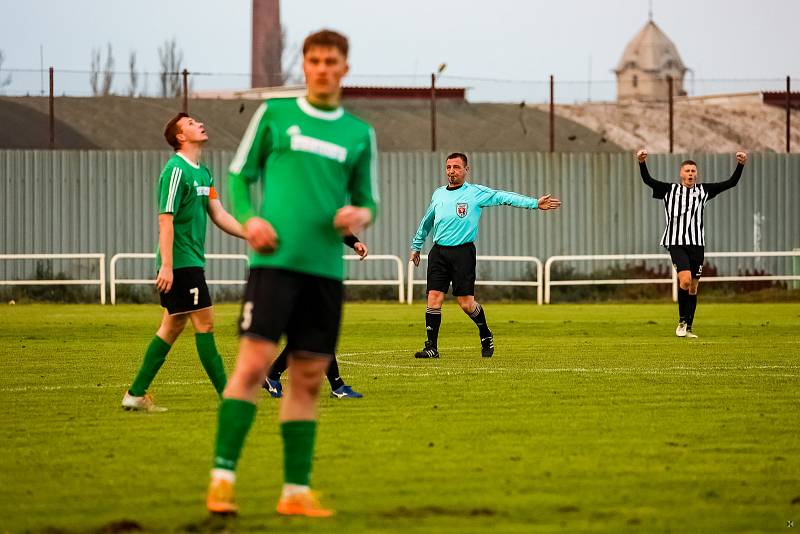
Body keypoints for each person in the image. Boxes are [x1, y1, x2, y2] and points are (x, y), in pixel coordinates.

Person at [205, 29, 378, 518]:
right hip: (274, 265)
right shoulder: (276, 114)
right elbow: (240, 173)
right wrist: (250, 217)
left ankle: (295, 492)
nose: (323, 68)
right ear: (304, 65)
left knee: (307, 379)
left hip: (325, 271)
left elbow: (370, 198)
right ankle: (222, 479)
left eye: (332, 61)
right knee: (253, 366)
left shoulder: (359, 133)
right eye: (315, 60)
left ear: (345, 67)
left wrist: (360, 215)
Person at [121, 113, 245, 412]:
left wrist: (251, 234)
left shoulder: (203, 174)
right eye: (190, 123)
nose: (199, 124)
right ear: (180, 137)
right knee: (205, 322)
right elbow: (165, 219)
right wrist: (166, 265)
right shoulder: (175, 170)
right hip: (180, 264)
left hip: (190, 262)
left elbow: (219, 214)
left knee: (172, 326)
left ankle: (135, 395)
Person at [409, 152, 561, 359]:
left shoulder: (476, 193)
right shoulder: (438, 194)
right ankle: (431, 347)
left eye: (456, 167)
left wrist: (534, 203)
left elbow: (503, 197)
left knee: (466, 304)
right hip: (439, 252)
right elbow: (428, 220)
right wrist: (416, 245)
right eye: (448, 167)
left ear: (466, 170)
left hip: (463, 253)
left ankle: (485, 333)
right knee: (433, 298)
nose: (451, 171)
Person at [637, 149, 747, 338]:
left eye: (693, 171)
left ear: (696, 174)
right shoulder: (669, 190)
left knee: (694, 287)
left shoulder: (704, 191)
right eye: (687, 171)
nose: (690, 174)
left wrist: (741, 165)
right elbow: (648, 181)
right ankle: (681, 322)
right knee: (685, 280)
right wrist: (641, 162)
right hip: (676, 242)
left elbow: (731, 183)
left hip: (697, 244)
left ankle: (688, 327)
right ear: (681, 173)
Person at [264, 234, 368, 399]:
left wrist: (354, 242)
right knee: (319, 332)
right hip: (301, 275)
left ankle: (272, 376)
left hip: (314, 274)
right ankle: (337, 386)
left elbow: (334, 223)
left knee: (307, 335)